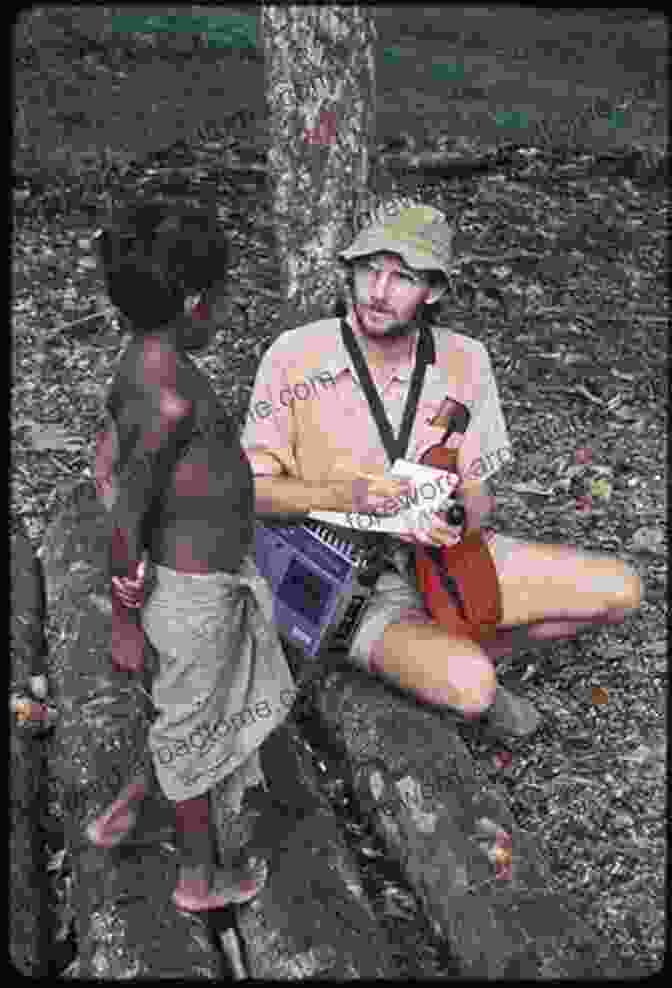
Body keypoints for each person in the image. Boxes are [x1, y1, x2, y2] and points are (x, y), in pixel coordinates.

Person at [241, 201, 643, 740]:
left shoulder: (465, 360)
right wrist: (350, 496)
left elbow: (479, 496)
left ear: (432, 291)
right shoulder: (296, 356)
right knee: (475, 690)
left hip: (441, 558)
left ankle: (436, 652)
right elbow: (253, 495)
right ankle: (435, 662)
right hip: (339, 575)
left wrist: (452, 514)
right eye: (368, 270)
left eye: (401, 276)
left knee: (621, 590)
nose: (377, 292)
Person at [86, 198, 295, 912]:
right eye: (228, 296)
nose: (232, 311)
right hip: (191, 594)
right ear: (198, 302)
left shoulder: (148, 362)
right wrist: (123, 615)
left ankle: (134, 806)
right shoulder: (168, 396)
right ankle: (200, 877)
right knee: (196, 729)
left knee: (188, 707)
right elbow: (127, 508)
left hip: (208, 581)